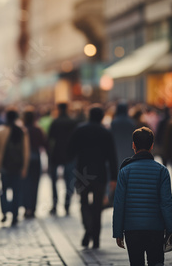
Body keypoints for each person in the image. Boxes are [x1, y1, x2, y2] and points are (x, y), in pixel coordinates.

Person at [113, 127, 172, 266]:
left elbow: (119, 204)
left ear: (133, 145)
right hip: (155, 229)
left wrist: (118, 231)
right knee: (156, 262)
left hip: (132, 230)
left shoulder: (125, 171)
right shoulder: (162, 171)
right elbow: (166, 203)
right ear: (152, 146)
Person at [69, 105, 118, 248]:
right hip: (99, 173)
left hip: (82, 173)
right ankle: (95, 237)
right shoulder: (105, 132)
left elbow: (70, 151)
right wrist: (114, 177)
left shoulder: (79, 130)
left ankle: (88, 229)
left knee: (83, 203)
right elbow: (112, 156)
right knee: (97, 206)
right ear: (101, 117)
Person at [0, 109, 29, 226]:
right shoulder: (22, 131)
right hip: (17, 167)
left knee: (3, 190)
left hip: (4, 167)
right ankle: (15, 215)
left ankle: (5, 212)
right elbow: (25, 151)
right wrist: (24, 167)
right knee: (16, 192)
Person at [47, 103, 78, 216]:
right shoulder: (73, 122)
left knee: (54, 180)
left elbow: (50, 139)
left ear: (58, 109)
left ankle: (55, 204)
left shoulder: (55, 122)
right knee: (69, 180)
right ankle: (67, 204)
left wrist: (49, 153)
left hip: (56, 153)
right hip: (70, 154)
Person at [22, 109, 47, 219]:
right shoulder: (38, 130)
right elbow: (44, 144)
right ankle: (32, 207)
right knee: (35, 184)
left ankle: (27, 207)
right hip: (36, 158)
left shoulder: (23, 130)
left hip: (25, 160)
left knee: (25, 184)